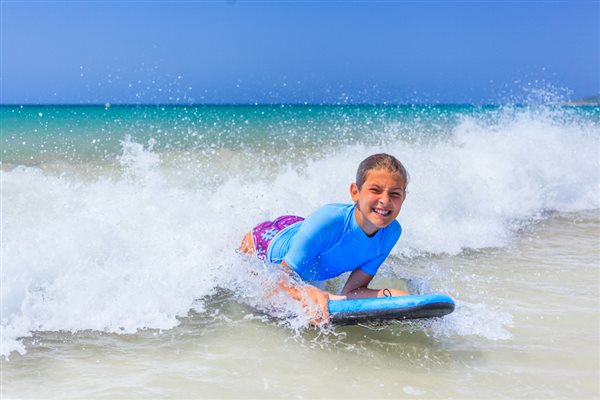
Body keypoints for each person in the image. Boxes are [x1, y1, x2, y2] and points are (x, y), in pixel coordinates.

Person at [239, 153, 409, 325]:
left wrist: (393, 295)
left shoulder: (391, 232)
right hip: (263, 243)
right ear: (355, 192)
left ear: (404, 198)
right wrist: (305, 293)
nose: (385, 200)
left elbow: (352, 292)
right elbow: (279, 279)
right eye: (375, 190)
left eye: (395, 194)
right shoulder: (329, 220)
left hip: (301, 231)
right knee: (264, 306)